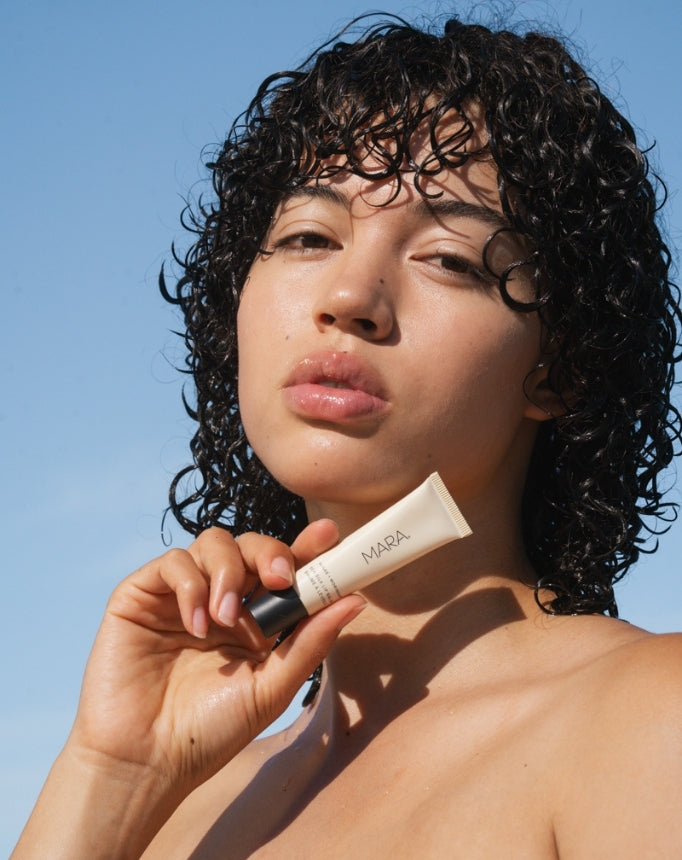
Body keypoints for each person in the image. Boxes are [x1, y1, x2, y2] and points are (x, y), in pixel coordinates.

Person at [13, 12, 682, 859]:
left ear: (559, 368)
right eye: (306, 236)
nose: (349, 295)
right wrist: (112, 774)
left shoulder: (648, 717)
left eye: (448, 258)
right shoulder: (179, 807)